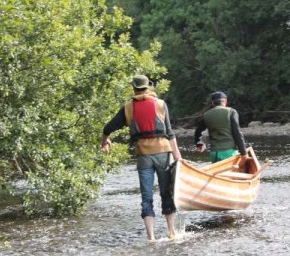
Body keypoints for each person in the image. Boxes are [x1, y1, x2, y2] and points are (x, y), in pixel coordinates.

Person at [101, 75, 182, 241]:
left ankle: (151, 237)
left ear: (134, 88)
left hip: (143, 154)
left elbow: (108, 127)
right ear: (148, 87)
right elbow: (169, 132)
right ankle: (172, 232)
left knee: (146, 196)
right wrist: (177, 157)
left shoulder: (128, 107)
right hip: (162, 152)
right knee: (166, 192)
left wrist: (105, 141)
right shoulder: (160, 104)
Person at [194, 91, 247, 162]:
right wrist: (243, 153)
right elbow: (237, 133)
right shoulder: (231, 112)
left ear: (213, 103)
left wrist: (199, 144)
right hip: (229, 153)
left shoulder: (206, 115)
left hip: (214, 153)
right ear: (225, 101)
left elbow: (198, 131)